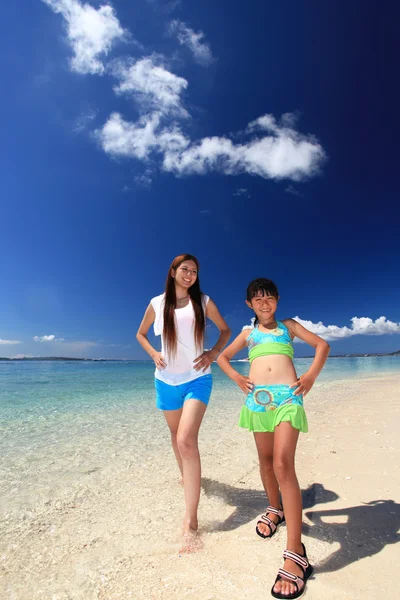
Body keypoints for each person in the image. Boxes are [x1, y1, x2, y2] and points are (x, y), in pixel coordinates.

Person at [217, 278, 330, 599]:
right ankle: (275, 509)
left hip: (287, 398)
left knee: (282, 464)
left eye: (269, 298)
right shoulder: (247, 333)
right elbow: (222, 358)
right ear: (249, 305)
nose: (264, 303)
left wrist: (309, 377)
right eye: (258, 299)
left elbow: (322, 346)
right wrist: (238, 378)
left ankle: (295, 551)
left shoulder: (288, 326)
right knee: (265, 463)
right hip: (258, 400)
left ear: (277, 300)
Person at [136, 254, 230, 548]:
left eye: (194, 271)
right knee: (176, 437)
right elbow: (140, 334)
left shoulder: (202, 301)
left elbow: (225, 330)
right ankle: (187, 478)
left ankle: (191, 520)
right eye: (185, 269)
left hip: (197, 379)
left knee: (187, 440)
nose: (190, 274)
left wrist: (213, 353)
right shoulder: (156, 303)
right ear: (173, 271)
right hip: (165, 381)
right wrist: (153, 353)